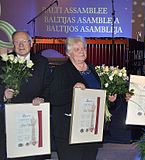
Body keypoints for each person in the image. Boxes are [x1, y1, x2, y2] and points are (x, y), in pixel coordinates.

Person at [50, 37, 117, 160]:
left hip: (91, 128)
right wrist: (72, 91)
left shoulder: (91, 68)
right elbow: (53, 98)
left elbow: (97, 96)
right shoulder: (61, 71)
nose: (82, 51)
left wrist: (109, 100)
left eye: (83, 48)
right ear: (68, 53)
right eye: (77, 49)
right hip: (68, 131)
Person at [0, 31, 52, 160]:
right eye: (17, 42)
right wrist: (3, 95)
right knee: (10, 153)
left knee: (32, 153)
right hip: (9, 117)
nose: (21, 45)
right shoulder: (3, 61)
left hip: (34, 115)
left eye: (24, 41)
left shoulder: (42, 62)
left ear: (31, 43)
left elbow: (49, 86)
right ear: (13, 44)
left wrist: (43, 98)